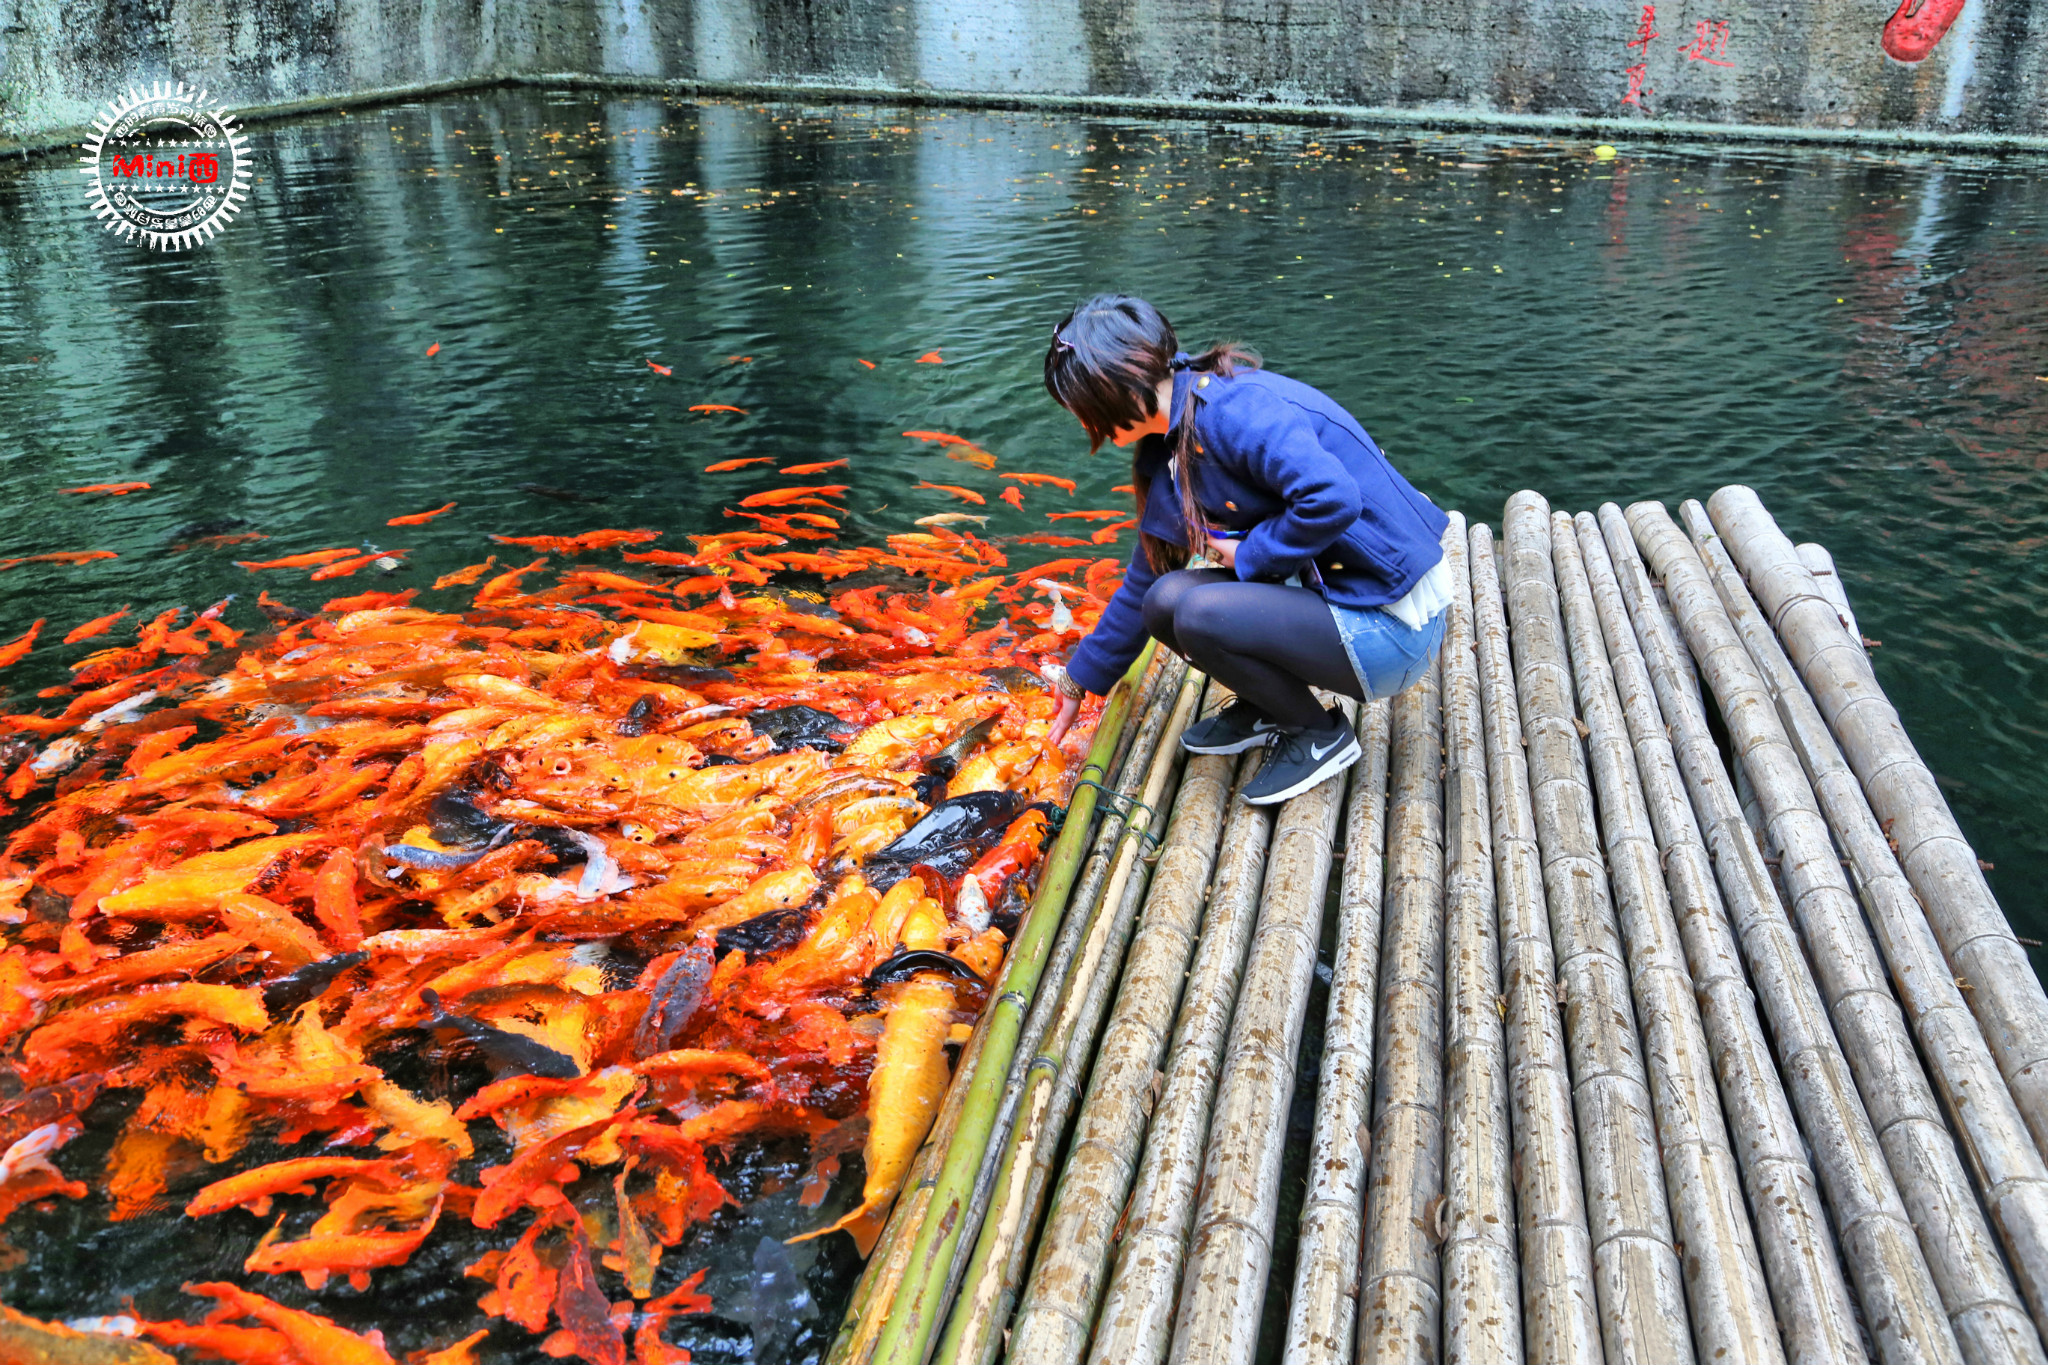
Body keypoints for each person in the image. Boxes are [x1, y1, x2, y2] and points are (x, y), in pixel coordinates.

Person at [1040, 294, 1451, 806]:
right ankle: (1268, 705)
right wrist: (1080, 680)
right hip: (1338, 597)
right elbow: (1145, 579)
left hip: (1392, 625)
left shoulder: (1235, 413)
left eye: (1082, 410)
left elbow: (1333, 498)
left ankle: (1318, 735)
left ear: (1114, 392)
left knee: (1198, 611)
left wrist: (1250, 555)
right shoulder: (1169, 439)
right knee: (1164, 601)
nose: (1084, 426)